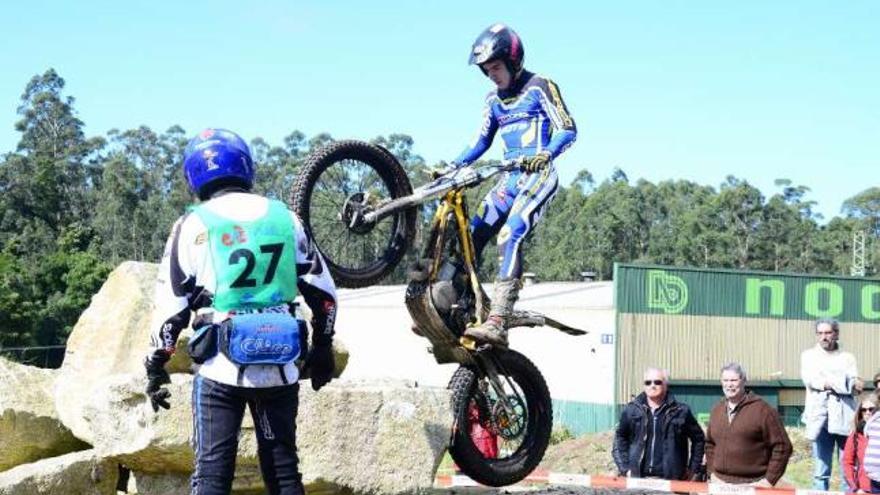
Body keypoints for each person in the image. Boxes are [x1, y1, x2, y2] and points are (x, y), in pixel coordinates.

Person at [142, 129, 338, 495]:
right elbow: (324, 294)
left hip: (220, 367)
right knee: (283, 471)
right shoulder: (287, 219)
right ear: (246, 165)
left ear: (193, 175)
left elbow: (171, 309)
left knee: (212, 476)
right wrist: (324, 345)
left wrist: (156, 365)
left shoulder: (192, 224)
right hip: (281, 363)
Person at [451, 23, 577, 348]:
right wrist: (453, 166)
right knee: (471, 233)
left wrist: (546, 154)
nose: (492, 75)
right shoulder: (492, 99)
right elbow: (480, 141)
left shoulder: (540, 86)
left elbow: (568, 128)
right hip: (509, 179)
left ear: (513, 60)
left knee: (510, 232)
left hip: (539, 175)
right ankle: (459, 309)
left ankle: (499, 319)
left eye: (496, 67)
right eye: (487, 70)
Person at [705, 362, 792, 487]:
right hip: (720, 484)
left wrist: (769, 480)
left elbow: (783, 446)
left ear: (744, 381)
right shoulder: (716, 411)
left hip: (752, 485)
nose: (729, 384)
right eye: (725, 380)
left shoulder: (763, 410)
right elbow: (710, 444)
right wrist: (712, 472)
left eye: (734, 380)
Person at [612, 368, 705, 480]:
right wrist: (625, 469)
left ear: (665, 385)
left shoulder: (681, 411)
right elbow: (619, 438)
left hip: (671, 481)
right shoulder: (631, 410)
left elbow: (698, 439)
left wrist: (693, 468)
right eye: (648, 382)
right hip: (638, 479)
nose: (652, 385)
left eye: (657, 382)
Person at [801, 318, 862, 491]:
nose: (823, 337)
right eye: (820, 333)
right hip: (821, 420)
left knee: (848, 470)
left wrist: (836, 381)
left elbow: (856, 386)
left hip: (845, 418)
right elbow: (813, 381)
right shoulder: (808, 356)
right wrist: (844, 382)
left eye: (828, 332)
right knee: (821, 472)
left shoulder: (847, 357)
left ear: (836, 334)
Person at [843, 392, 878, 493]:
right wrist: (854, 486)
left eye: (871, 409)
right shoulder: (855, 436)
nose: (867, 412)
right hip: (863, 489)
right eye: (864, 410)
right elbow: (847, 462)